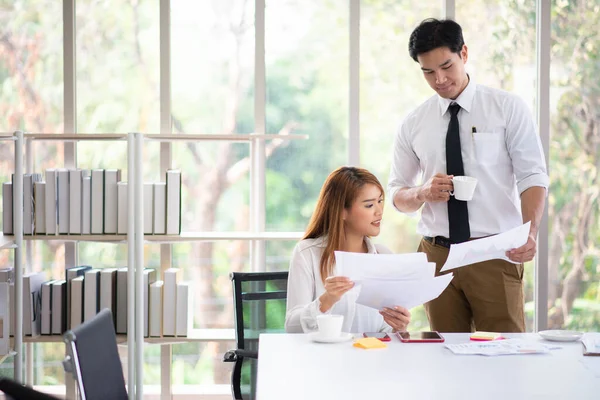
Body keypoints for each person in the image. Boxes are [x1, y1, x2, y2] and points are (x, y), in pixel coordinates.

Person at [387, 18, 549, 333]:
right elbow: (396, 194)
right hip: (436, 257)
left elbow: (533, 176)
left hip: (494, 252)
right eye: (428, 72)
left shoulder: (507, 108)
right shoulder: (413, 123)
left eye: (446, 66)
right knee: (446, 358)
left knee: (506, 353)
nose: (439, 79)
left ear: (464, 53)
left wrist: (530, 233)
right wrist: (422, 193)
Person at [285, 166, 411, 334]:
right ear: (342, 212)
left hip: (372, 357)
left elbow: (385, 331)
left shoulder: (384, 256)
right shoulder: (307, 253)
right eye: (369, 205)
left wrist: (399, 327)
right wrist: (326, 300)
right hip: (324, 357)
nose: (379, 211)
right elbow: (292, 328)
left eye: (380, 201)